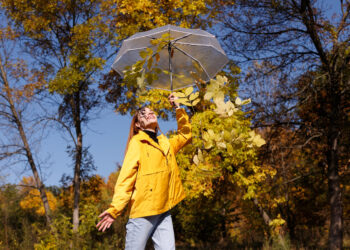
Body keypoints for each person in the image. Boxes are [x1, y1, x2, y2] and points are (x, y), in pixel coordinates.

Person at [96, 94, 191, 250]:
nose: (149, 113)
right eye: (143, 113)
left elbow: (185, 135)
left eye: (150, 111)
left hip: (163, 210)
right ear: (138, 125)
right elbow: (126, 179)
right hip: (143, 212)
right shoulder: (137, 143)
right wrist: (115, 209)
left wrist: (178, 108)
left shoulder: (165, 143)